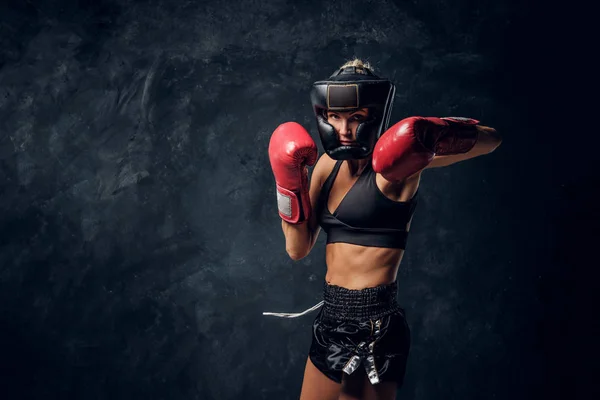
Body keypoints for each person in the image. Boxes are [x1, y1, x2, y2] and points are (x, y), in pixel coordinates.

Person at [266, 59, 502, 400]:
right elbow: (297, 249)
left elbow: (492, 140)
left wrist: (434, 133)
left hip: (375, 327)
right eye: (335, 117)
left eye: (356, 117)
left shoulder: (398, 164)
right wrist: (288, 184)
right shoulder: (326, 166)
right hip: (331, 320)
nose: (344, 128)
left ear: (374, 115)